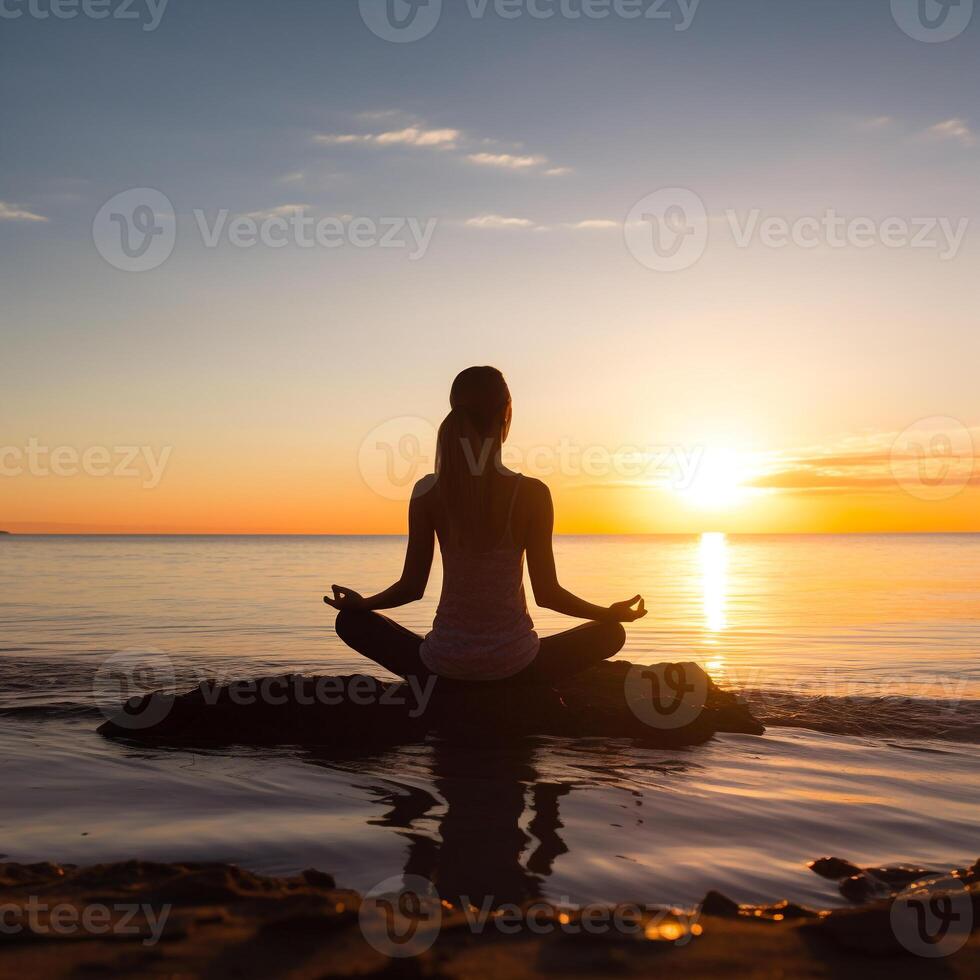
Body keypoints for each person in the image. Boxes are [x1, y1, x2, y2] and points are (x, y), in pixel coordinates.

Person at [325, 366, 646, 688]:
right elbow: (548, 595)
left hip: (441, 666)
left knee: (351, 623)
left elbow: (411, 588)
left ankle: (445, 688)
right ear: (506, 414)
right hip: (517, 666)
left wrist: (362, 604)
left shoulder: (427, 491)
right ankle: (518, 689)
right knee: (610, 633)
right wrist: (609, 613)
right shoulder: (532, 493)